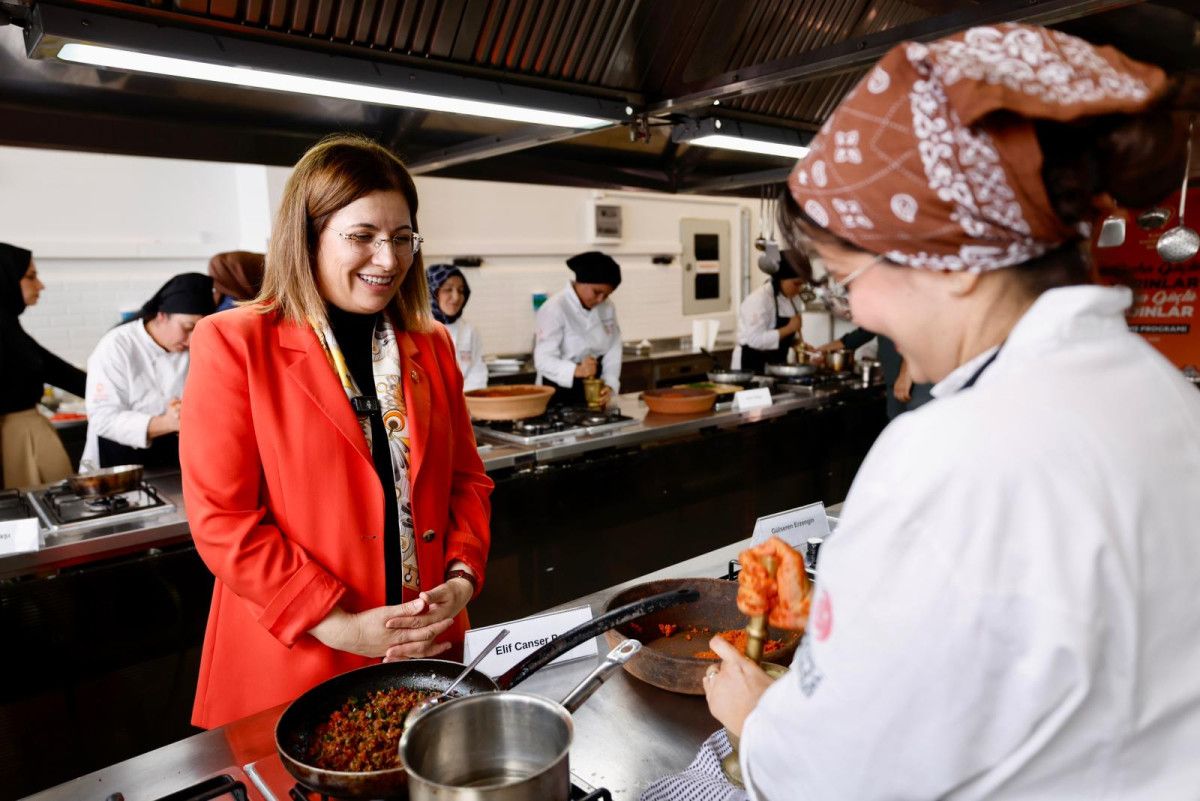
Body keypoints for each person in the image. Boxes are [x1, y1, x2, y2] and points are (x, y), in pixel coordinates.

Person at [701, 24, 1200, 799]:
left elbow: (840, 774)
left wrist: (758, 720)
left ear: (953, 260)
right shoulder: (1161, 395)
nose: (854, 308)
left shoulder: (950, 458)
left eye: (844, 276)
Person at [179, 134, 492, 730]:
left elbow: (466, 481)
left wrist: (461, 577)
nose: (387, 259)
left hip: (424, 650)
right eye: (362, 237)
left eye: (402, 239)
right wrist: (343, 626)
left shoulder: (429, 345)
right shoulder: (236, 344)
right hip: (300, 655)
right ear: (308, 237)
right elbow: (224, 521)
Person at [82, 273, 214, 470]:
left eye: (199, 331)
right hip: (119, 461)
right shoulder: (117, 346)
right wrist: (167, 422)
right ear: (161, 316)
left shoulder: (197, 348)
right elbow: (102, 418)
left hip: (171, 458)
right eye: (188, 328)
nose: (191, 340)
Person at [0, 244, 87, 488]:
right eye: (30, 276)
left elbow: (59, 372)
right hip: (13, 442)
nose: (40, 285)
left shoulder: (10, 329)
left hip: (27, 434)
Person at [534, 250, 622, 406]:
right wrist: (578, 370)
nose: (600, 299)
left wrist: (610, 383)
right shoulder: (555, 308)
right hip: (558, 390)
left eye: (606, 295)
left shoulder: (607, 307)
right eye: (597, 292)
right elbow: (543, 360)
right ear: (581, 282)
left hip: (594, 384)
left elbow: (613, 347)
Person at [818, 330, 932, 418]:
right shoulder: (882, 305)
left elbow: (921, 328)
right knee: (897, 433)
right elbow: (863, 333)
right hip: (894, 379)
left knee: (917, 433)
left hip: (915, 381)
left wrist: (906, 372)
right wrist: (820, 351)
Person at [734, 250, 811, 372]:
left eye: (803, 284)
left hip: (776, 365)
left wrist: (798, 345)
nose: (799, 289)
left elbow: (783, 337)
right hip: (751, 365)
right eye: (796, 284)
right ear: (780, 279)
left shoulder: (792, 298)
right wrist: (789, 329)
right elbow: (755, 340)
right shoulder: (759, 300)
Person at [427, 263, 487, 391]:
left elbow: (478, 373)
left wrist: (463, 404)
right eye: (448, 290)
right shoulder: (417, 329)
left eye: (461, 290)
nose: (456, 297)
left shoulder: (470, 330)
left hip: (466, 405)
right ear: (431, 291)